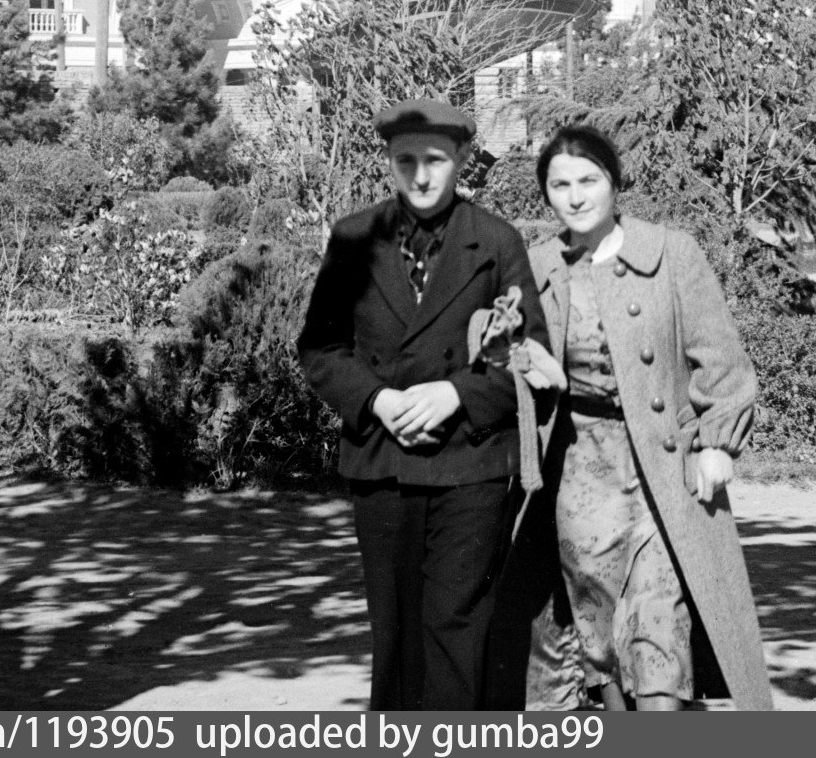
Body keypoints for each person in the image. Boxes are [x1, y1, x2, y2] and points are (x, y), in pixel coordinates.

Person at [506, 124, 773, 712]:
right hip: (579, 475)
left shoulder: (671, 253)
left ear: (614, 182)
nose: (576, 197)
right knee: (599, 631)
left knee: (658, 623)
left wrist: (718, 443)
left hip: (663, 471)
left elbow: (721, 357)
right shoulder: (536, 266)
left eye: (589, 180)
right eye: (560, 186)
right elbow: (505, 363)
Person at [297, 95, 547, 710]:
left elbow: (529, 356)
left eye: (435, 159)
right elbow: (321, 348)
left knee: (457, 625)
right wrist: (377, 399)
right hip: (383, 463)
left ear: (461, 159)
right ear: (387, 161)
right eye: (405, 160)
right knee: (395, 628)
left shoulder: (495, 241)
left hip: (470, 465)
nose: (421, 175)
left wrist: (455, 393)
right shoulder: (354, 238)